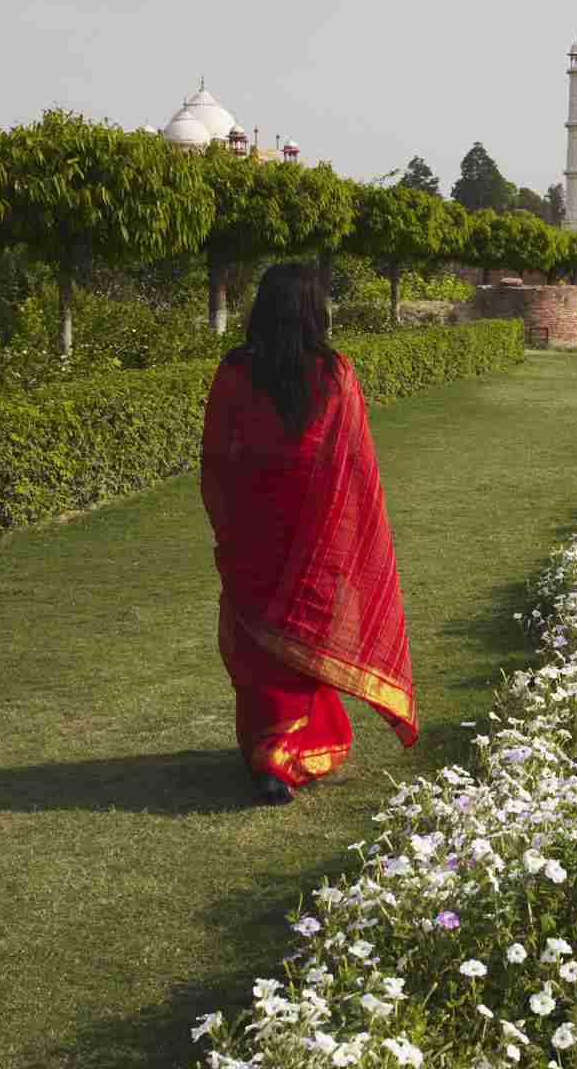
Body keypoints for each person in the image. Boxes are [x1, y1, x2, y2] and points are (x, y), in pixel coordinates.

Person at [199, 262, 416, 805]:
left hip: (253, 534)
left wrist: (228, 523)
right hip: (316, 537)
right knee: (303, 634)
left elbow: (217, 459)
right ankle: (282, 756)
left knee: (261, 652)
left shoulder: (233, 371)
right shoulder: (334, 372)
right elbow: (354, 466)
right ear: (314, 313)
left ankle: (265, 754)